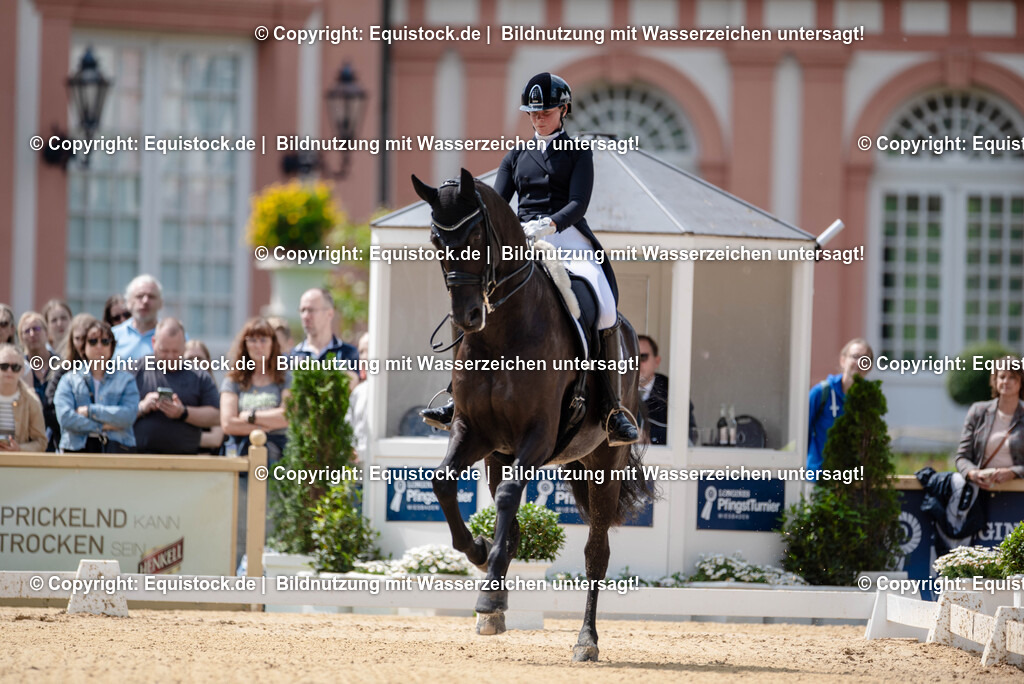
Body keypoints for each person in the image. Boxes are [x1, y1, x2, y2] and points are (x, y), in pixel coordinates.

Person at [421, 72, 639, 446]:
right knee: (475, 299)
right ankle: (457, 396)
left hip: (568, 240)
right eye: (533, 112)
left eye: (546, 111)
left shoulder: (578, 153)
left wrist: (550, 224)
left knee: (604, 307)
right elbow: (498, 203)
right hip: (522, 241)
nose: (539, 118)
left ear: (563, 110)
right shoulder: (516, 157)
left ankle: (611, 408)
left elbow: (578, 202)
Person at [134, 319, 220, 455]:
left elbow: (217, 416)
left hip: (186, 460)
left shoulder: (199, 376)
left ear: (184, 346)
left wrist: (183, 412)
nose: (170, 357)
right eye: (164, 351)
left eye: (175, 351)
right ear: (154, 342)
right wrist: (142, 407)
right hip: (139, 458)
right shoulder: (136, 370)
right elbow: (116, 412)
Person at [54, 320, 138, 453]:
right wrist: (103, 426)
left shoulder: (126, 380)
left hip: (116, 450)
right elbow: (65, 418)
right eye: (93, 341)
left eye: (105, 341)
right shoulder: (69, 380)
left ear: (112, 346)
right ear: (83, 347)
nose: (99, 346)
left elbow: (128, 416)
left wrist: (90, 411)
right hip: (77, 451)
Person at [221, 317, 292, 461]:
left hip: (277, 453)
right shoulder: (233, 380)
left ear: (273, 343)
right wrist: (263, 428)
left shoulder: (286, 378)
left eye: (263, 340)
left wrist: (250, 416)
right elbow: (228, 424)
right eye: (252, 340)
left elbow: (287, 416)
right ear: (245, 344)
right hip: (239, 451)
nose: (258, 345)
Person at [955, 355, 1024, 489]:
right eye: (1002, 377)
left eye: (1012, 377)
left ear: (1021, 381)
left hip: (1017, 493)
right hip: (980, 491)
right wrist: (973, 473)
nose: (1006, 381)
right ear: (995, 380)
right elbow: (962, 457)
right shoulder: (978, 411)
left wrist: (1013, 472)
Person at [806, 338, 874, 472]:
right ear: (843, 360)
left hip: (853, 478)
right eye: (855, 356)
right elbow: (802, 434)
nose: (859, 363)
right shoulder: (821, 393)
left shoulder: (869, 399)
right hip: (819, 476)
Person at [45, 313, 99, 451]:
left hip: (103, 445)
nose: (81, 343)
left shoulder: (109, 369)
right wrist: (77, 421)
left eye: (86, 338)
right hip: (70, 443)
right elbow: (50, 407)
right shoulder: (64, 369)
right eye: (77, 338)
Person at [17, 311, 58, 449]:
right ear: (21, 338)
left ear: (47, 333)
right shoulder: (15, 368)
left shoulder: (62, 365)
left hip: (57, 437)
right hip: (28, 439)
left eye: (36, 329)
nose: (32, 334)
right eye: (26, 331)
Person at [291, 288, 358, 365]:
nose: (305, 316)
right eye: (302, 310)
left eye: (311, 310)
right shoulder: (293, 355)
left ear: (330, 314)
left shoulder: (349, 354)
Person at [0, 343, 47, 452]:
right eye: (4, 366)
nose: (9, 371)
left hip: (17, 461)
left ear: (22, 371)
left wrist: (20, 449)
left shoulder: (31, 401)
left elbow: (41, 442)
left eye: (15, 367)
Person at [184, 339, 226, 454]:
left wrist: (176, 438)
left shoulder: (216, 396)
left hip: (206, 458)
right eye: (189, 359)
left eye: (199, 359)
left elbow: (215, 439)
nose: (194, 363)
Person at [113, 274, 164, 361]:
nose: (145, 301)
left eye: (151, 296)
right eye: (139, 296)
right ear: (128, 302)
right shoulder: (113, 336)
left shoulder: (175, 337)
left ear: (160, 303)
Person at [346, 332, 370, 462]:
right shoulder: (358, 392)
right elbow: (348, 426)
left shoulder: (387, 392)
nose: (364, 356)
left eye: (368, 350)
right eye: (361, 352)